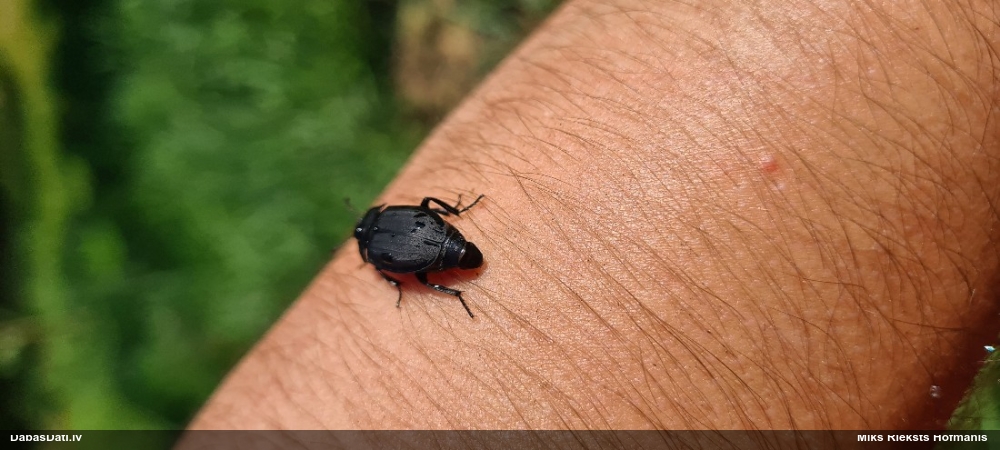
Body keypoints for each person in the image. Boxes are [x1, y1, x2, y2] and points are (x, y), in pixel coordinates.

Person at [188, 0, 1000, 431]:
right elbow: (416, 224)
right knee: (437, 237)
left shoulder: (383, 258)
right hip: (442, 239)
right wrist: (450, 230)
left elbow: (405, 262)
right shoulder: (390, 235)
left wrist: (437, 275)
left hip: (440, 250)